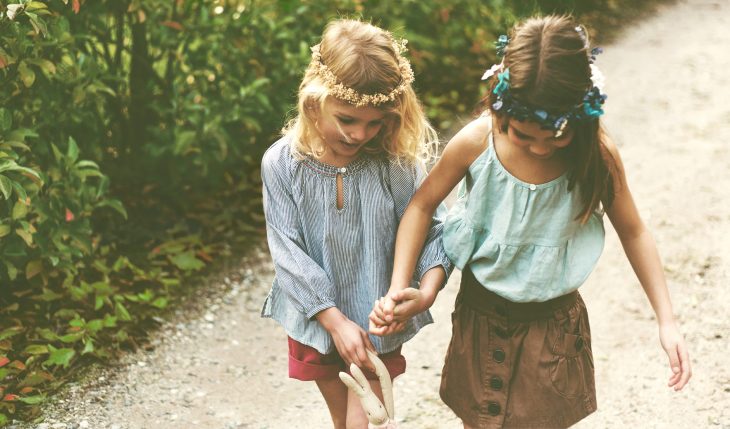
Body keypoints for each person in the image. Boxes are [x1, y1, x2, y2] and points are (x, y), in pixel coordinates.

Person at [369, 15, 692, 428]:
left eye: (556, 135)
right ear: (500, 106)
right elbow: (421, 205)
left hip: (553, 328)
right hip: (480, 315)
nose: (540, 148)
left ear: (583, 111)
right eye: (523, 134)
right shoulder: (475, 142)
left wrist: (667, 320)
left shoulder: (597, 155)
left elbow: (634, 231)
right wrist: (402, 286)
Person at [260, 19, 451, 429]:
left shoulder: (394, 165)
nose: (359, 134)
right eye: (346, 119)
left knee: (368, 424)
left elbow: (431, 231)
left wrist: (424, 290)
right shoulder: (282, 164)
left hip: (377, 320)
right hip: (319, 320)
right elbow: (287, 252)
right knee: (346, 423)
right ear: (315, 101)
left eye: (375, 122)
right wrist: (334, 320)